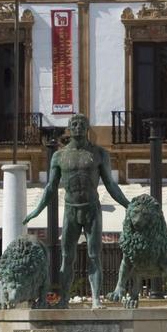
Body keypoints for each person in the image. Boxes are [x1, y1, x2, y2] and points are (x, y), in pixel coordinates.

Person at [23, 113, 129, 308]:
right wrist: (37, 210)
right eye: (74, 123)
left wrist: (128, 205)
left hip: (92, 209)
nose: (78, 126)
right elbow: (50, 187)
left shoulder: (99, 153)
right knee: (67, 257)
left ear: (87, 127)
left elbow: (111, 185)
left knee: (95, 255)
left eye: (81, 123)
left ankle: (96, 298)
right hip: (71, 209)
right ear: (69, 129)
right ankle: (64, 299)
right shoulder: (59, 156)